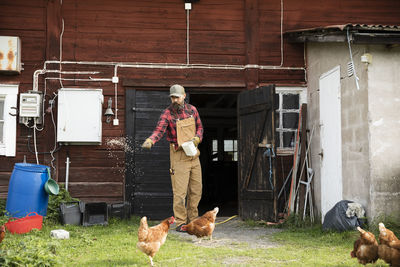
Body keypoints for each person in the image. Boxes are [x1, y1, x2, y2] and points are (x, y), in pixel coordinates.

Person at [141, 84, 203, 232]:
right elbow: (159, 130)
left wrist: (197, 138)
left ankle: (193, 221)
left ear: (184, 96)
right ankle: (181, 223)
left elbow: (200, 128)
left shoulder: (192, 110)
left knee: (196, 190)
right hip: (178, 154)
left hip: (194, 154)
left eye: (177, 97)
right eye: (172, 97)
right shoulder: (167, 114)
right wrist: (151, 140)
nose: (174, 100)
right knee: (180, 192)